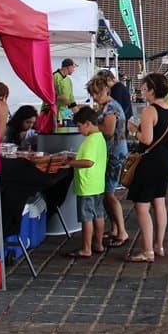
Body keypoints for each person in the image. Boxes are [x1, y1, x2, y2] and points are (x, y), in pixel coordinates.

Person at [125, 73, 168, 262]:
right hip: (166, 160)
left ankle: (147, 251)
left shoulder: (149, 111)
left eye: (144, 88)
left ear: (152, 90)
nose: (142, 92)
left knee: (142, 206)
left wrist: (133, 129)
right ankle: (159, 246)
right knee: (159, 202)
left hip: (150, 162)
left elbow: (146, 139)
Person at [88, 74, 129, 248]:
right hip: (112, 152)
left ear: (106, 90)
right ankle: (114, 228)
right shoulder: (107, 106)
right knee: (107, 193)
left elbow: (108, 130)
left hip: (114, 153)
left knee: (110, 194)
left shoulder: (110, 107)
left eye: (97, 93)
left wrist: (91, 127)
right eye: (93, 94)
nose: (95, 97)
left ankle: (122, 231)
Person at [65, 105, 107, 258]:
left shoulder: (90, 140)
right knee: (98, 215)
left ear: (88, 123)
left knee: (86, 218)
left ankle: (86, 248)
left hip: (87, 185)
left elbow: (88, 162)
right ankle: (99, 243)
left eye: (79, 126)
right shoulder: (100, 137)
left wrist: (69, 163)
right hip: (98, 184)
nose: (78, 130)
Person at [54, 58, 78, 127]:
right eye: (73, 67)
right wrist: (59, 98)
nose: (74, 69)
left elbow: (71, 100)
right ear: (68, 67)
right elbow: (47, 94)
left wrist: (79, 114)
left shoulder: (68, 80)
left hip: (64, 114)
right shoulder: (55, 76)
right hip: (54, 113)